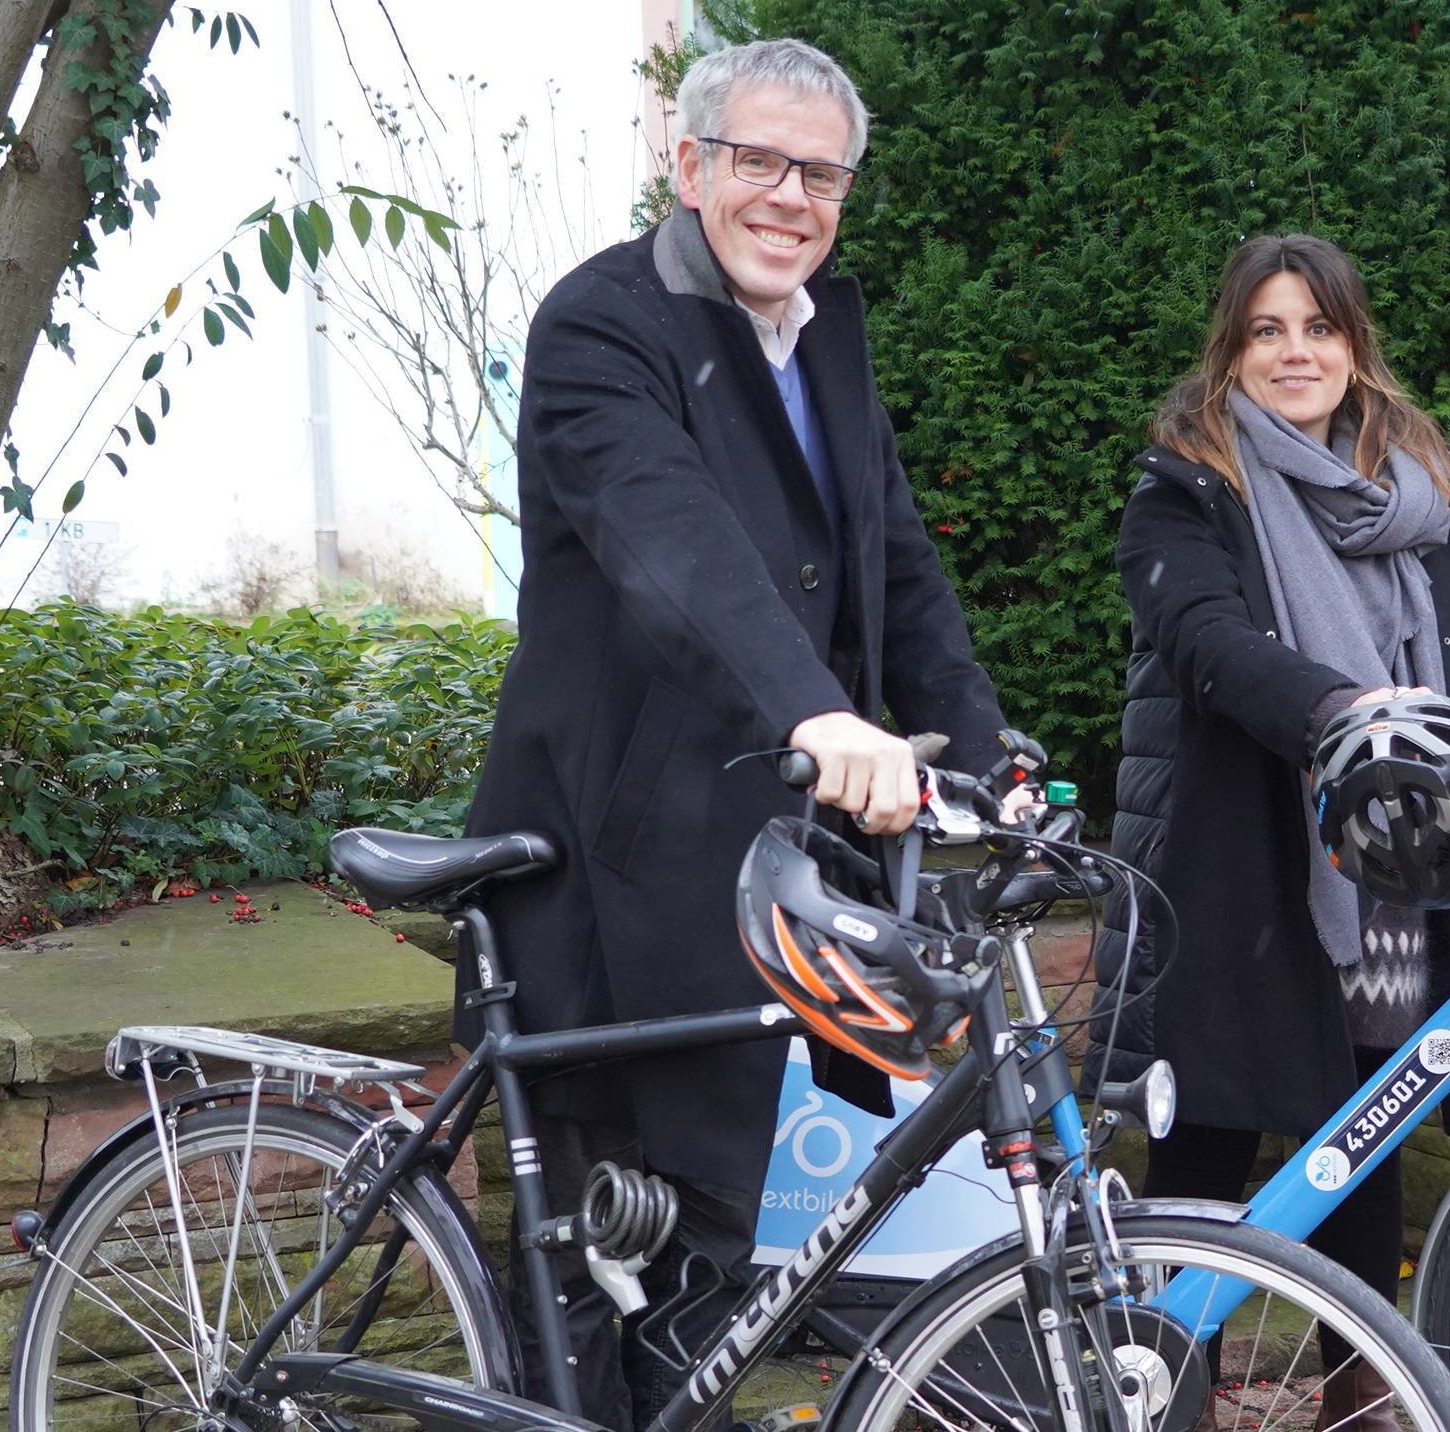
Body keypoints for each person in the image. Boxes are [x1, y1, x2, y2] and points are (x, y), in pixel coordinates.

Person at [462, 38, 1009, 1427]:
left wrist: (990, 761)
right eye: (759, 160)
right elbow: (674, 544)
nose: (791, 196)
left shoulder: (823, 334)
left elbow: (894, 562)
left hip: (761, 860)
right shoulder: (604, 324)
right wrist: (817, 713)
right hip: (610, 858)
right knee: (594, 1268)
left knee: (712, 1253)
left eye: (821, 172)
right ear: (691, 163)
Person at [1110, 233, 1450, 1430]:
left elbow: (1437, 661)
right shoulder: (1185, 487)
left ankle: (1358, 1405)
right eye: (1266, 329)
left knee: (1363, 1135)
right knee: (1205, 1164)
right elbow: (1208, 644)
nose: (1293, 352)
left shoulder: (1409, 494)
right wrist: (1339, 713)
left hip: (1388, 864)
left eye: (1317, 328)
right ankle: (1163, 1405)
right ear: (1231, 347)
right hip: (1234, 864)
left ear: (1353, 346)